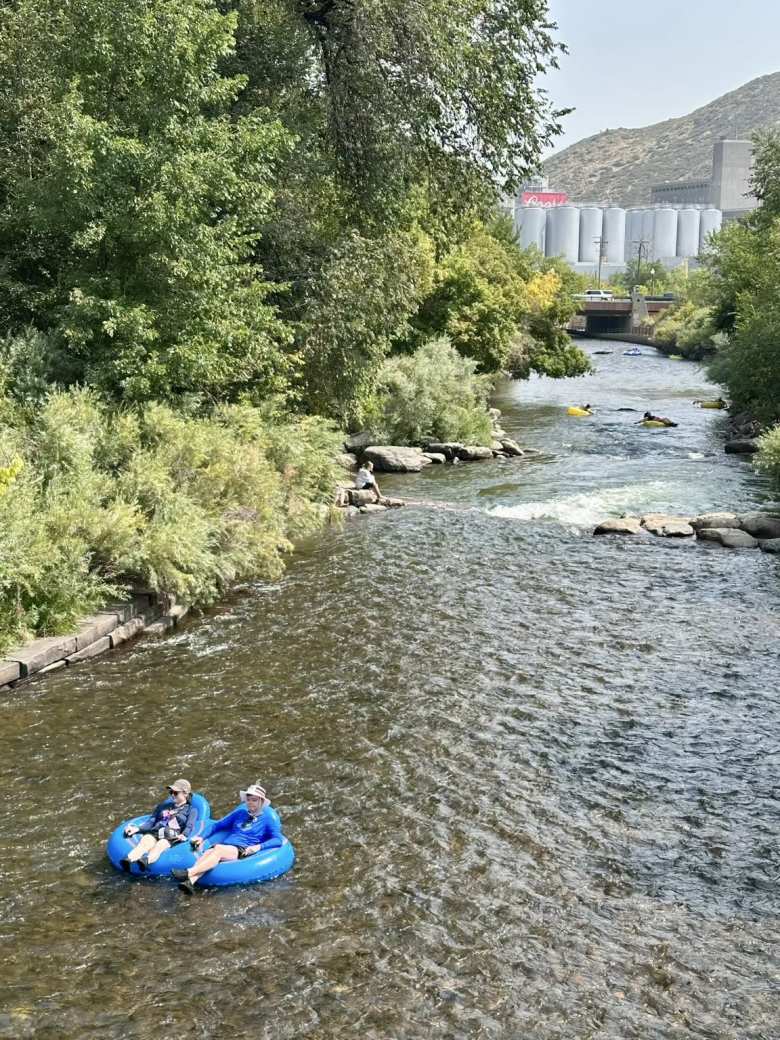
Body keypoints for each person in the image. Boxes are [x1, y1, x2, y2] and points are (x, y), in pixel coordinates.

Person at [171, 782, 283, 894]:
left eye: (254, 800)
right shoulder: (240, 813)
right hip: (226, 845)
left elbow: (278, 840)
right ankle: (190, 882)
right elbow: (217, 825)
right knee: (208, 852)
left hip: (242, 849)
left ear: (261, 801)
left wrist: (258, 847)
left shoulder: (267, 819)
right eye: (248, 800)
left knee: (218, 849)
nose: (250, 803)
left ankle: (188, 872)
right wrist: (201, 837)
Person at [120, 779, 199, 872]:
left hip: (170, 836)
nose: (172, 795)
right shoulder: (163, 806)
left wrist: (184, 835)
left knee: (160, 845)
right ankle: (128, 859)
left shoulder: (191, 810)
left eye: (176, 793)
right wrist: (137, 829)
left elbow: (189, 826)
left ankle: (146, 861)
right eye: (171, 792)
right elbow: (151, 821)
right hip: (156, 831)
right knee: (146, 841)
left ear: (185, 794)